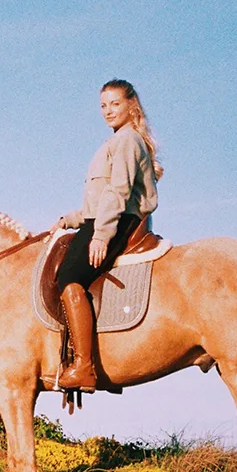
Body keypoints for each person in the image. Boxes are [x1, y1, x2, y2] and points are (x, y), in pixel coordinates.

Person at [51, 79, 162, 391]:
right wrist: (70, 220)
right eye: (103, 105)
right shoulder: (114, 142)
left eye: (115, 104)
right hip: (107, 216)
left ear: (131, 106)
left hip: (119, 220)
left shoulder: (127, 140)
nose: (108, 111)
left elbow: (118, 191)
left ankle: (84, 366)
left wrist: (101, 235)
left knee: (69, 277)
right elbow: (97, 200)